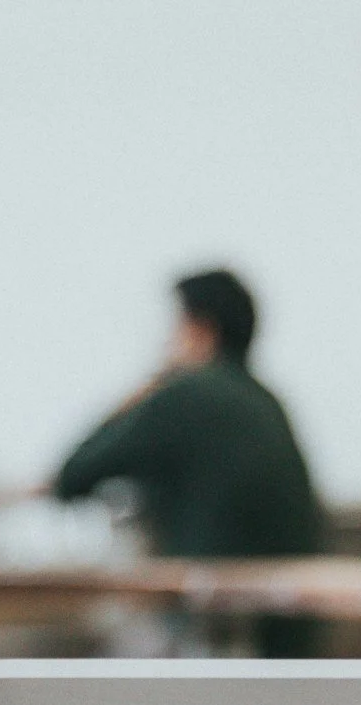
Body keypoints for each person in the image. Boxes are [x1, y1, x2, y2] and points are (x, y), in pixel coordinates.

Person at [54, 268, 326, 655]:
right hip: (286, 636)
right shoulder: (268, 402)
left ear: (200, 328)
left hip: (217, 630)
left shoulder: (182, 395)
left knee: (100, 641)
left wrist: (145, 388)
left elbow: (72, 476)